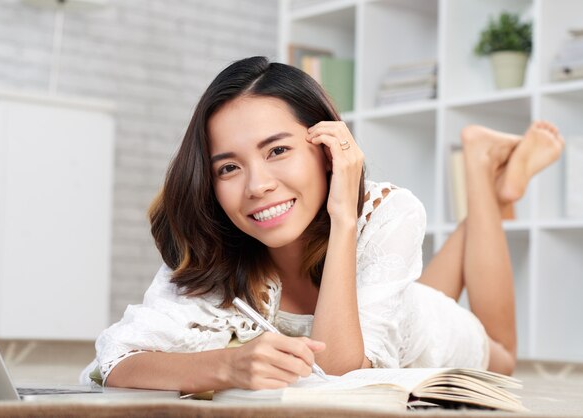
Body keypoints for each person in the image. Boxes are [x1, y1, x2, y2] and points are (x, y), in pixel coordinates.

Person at [80, 56, 564, 393]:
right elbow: (116, 362)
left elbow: (340, 370)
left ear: (327, 150)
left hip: (423, 328)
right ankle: (495, 186)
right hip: (389, 299)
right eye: (228, 167)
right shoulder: (212, 251)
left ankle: (483, 176)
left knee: (503, 355)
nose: (257, 185)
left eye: (278, 150)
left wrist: (344, 215)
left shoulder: (387, 211)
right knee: (407, 291)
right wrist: (224, 366)